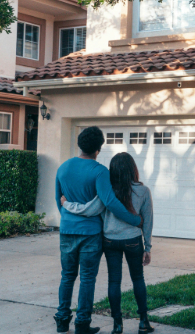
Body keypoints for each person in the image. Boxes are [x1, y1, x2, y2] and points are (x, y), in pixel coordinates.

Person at [54, 127, 142, 334]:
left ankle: (62, 320)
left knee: (67, 275)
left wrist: (68, 218)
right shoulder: (100, 171)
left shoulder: (63, 168)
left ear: (80, 145)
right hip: (90, 233)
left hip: (67, 229)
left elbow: (58, 200)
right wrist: (134, 219)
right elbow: (110, 202)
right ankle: (82, 323)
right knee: (87, 278)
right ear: (98, 148)